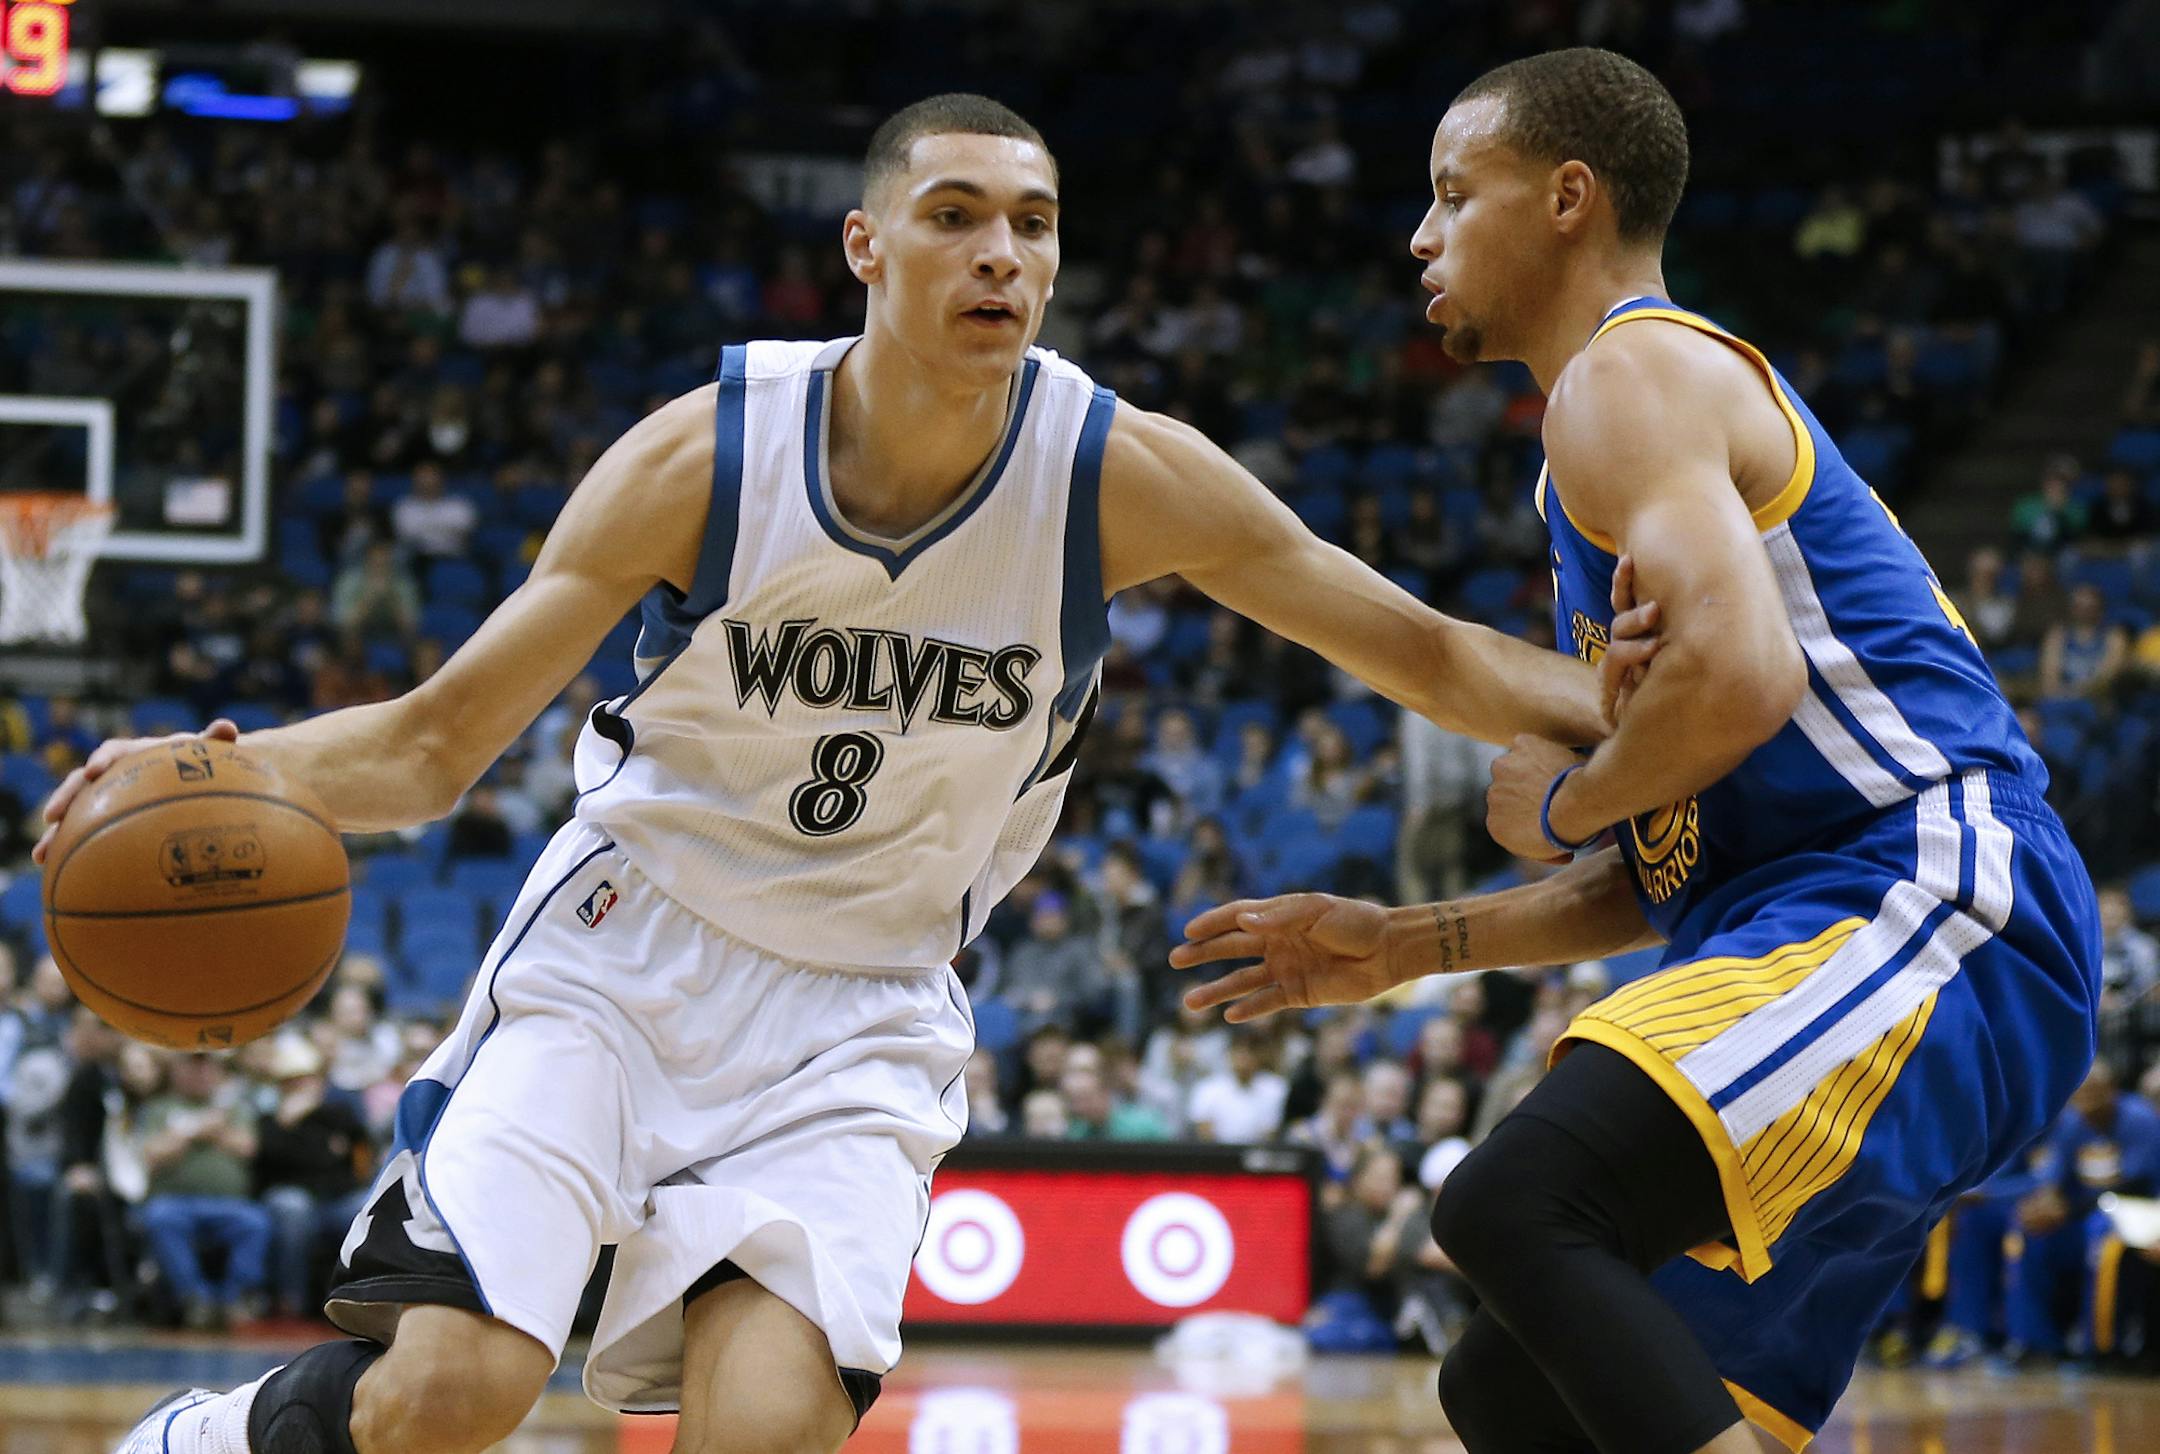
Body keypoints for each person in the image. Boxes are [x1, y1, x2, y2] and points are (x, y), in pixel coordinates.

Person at [59, 93, 1647, 1454]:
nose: (1002, 256)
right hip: (626, 961)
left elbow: (1428, 653)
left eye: (1031, 223)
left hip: (866, 1010)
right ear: (866, 247)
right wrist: (218, 767)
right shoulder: (713, 451)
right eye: (954, 217)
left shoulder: (1116, 472)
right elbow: (432, 744)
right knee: (453, 1394)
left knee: (766, 1430)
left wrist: (1674, 717)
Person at [1176, 48, 2098, 1454]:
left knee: (1513, 1202)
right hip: (1826, 913)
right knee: (1513, 1389)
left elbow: (1739, 678)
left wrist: (1569, 797)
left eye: (1449, 193)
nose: (1419, 236)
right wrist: (1413, 942)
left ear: (1566, 197)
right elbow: (1665, 862)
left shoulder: (1630, 372)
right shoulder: (1599, 461)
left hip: (1927, 892)